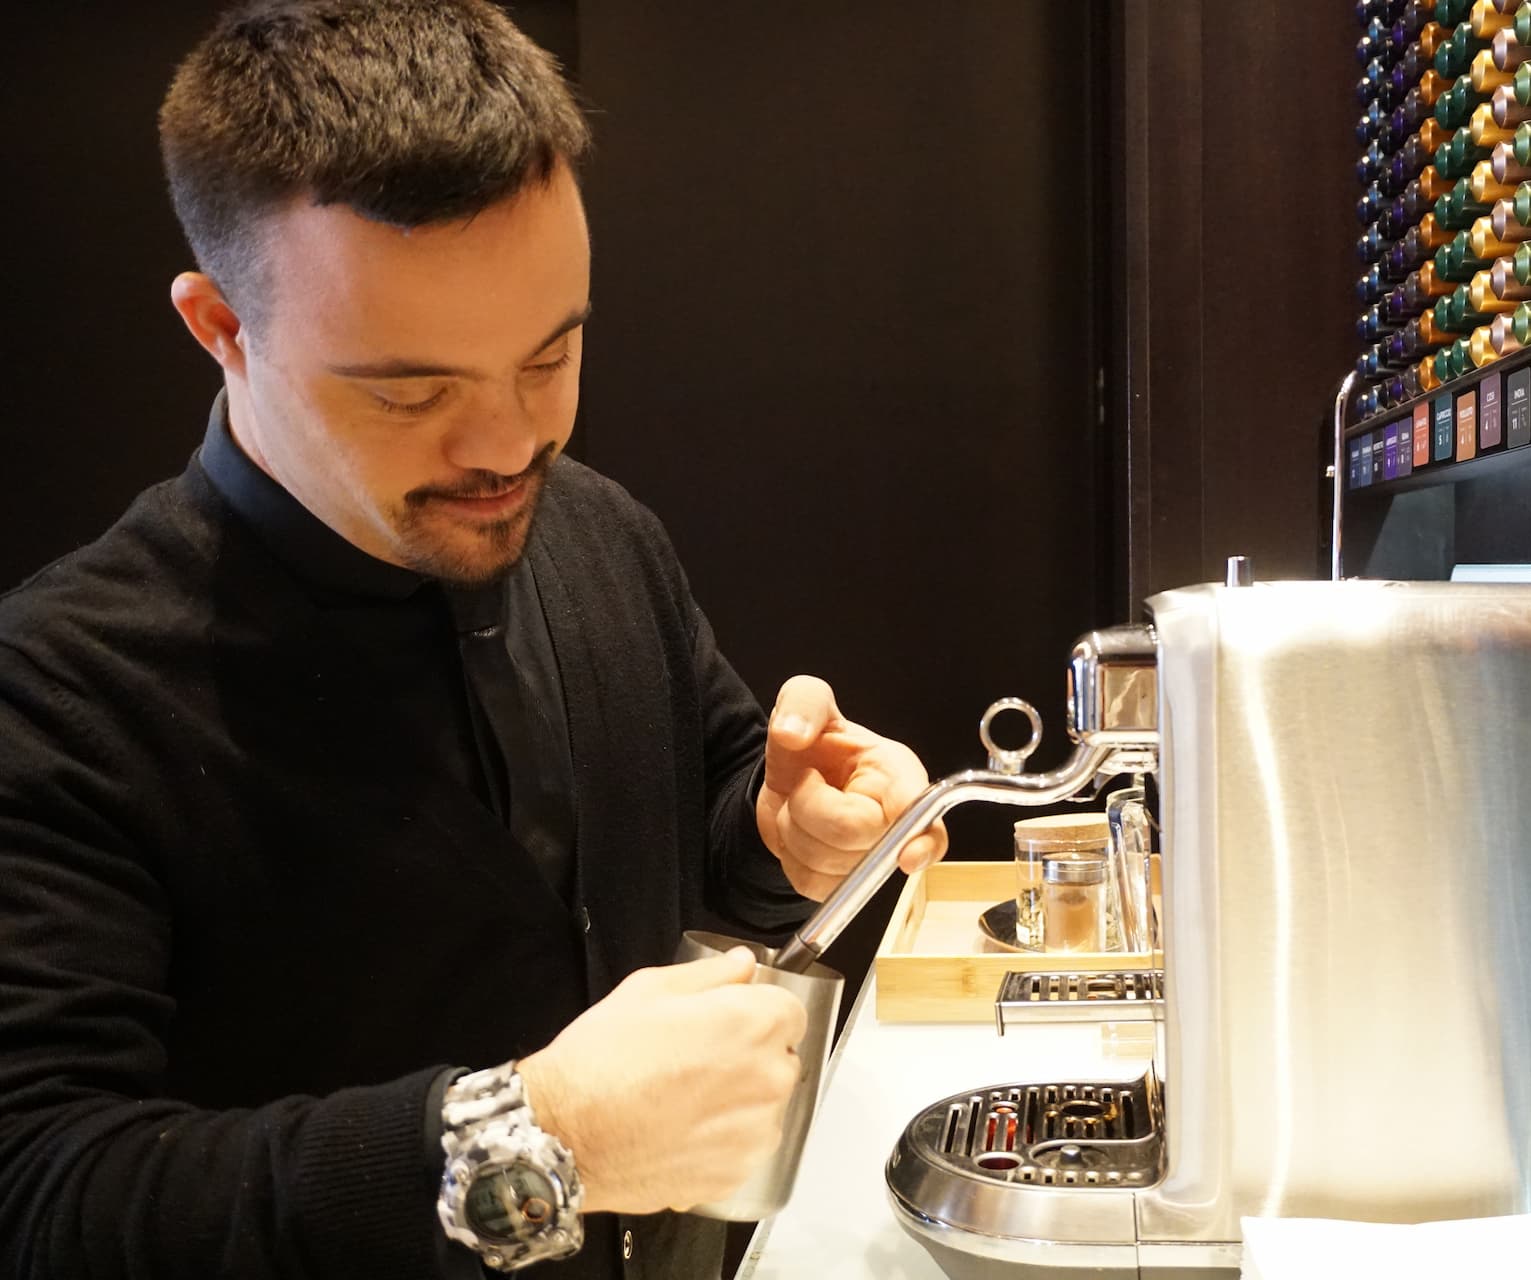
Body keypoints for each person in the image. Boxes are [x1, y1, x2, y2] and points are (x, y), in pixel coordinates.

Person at [0, 2, 947, 1277]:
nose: (506, 445)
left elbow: (707, 814)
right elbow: (44, 1196)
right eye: (410, 389)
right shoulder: (56, 691)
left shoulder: (595, 528)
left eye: (550, 354)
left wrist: (787, 834)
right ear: (221, 328)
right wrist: (536, 1135)